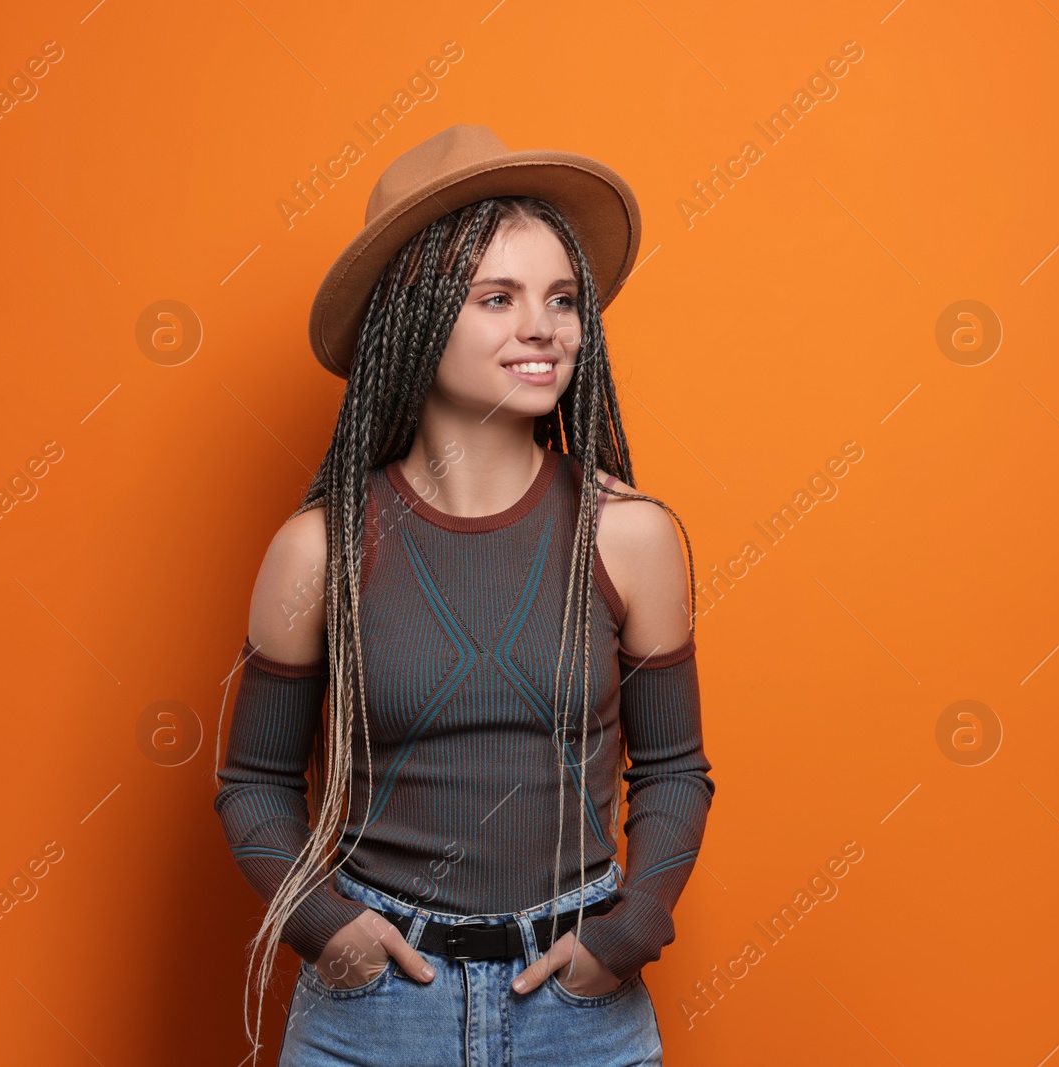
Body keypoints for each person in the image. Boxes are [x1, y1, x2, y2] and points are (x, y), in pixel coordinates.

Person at [211, 124, 714, 1066]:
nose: (545, 326)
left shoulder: (631, 535)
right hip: (375, 1010)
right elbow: (253, 784)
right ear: (414, 312)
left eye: (562, 299)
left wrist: (626, 934)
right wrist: (329, 930)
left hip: (583, 1011)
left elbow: (677, 770)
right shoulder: (318, 549)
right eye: (499, 297)